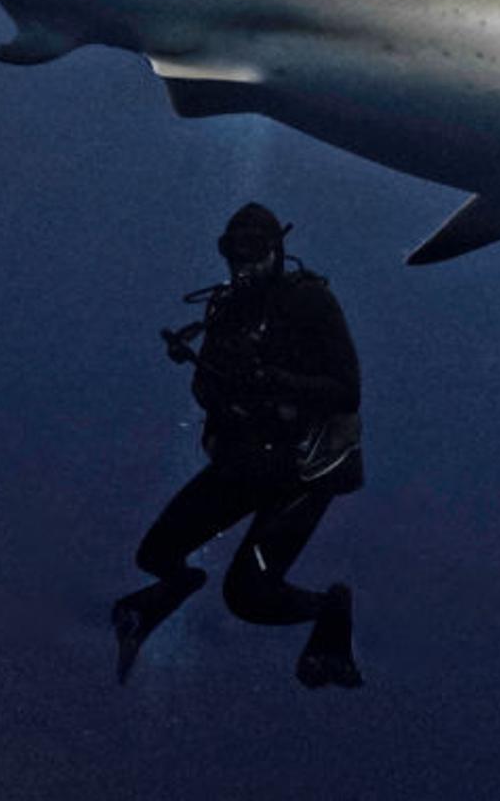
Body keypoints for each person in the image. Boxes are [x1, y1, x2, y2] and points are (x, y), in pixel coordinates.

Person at [112, 203, 364, 688]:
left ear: (277, 250)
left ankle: (331, 613)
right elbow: (205, 390)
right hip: (245, 460)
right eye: (233, 251)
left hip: (303, 469)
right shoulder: (225, 308)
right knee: (154, 556)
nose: (242, 263)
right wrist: (221, 388)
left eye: (254, 251)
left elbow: (348, 391)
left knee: (248, 596)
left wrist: (274, 381)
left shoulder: (310, 302)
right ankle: (172, 592)